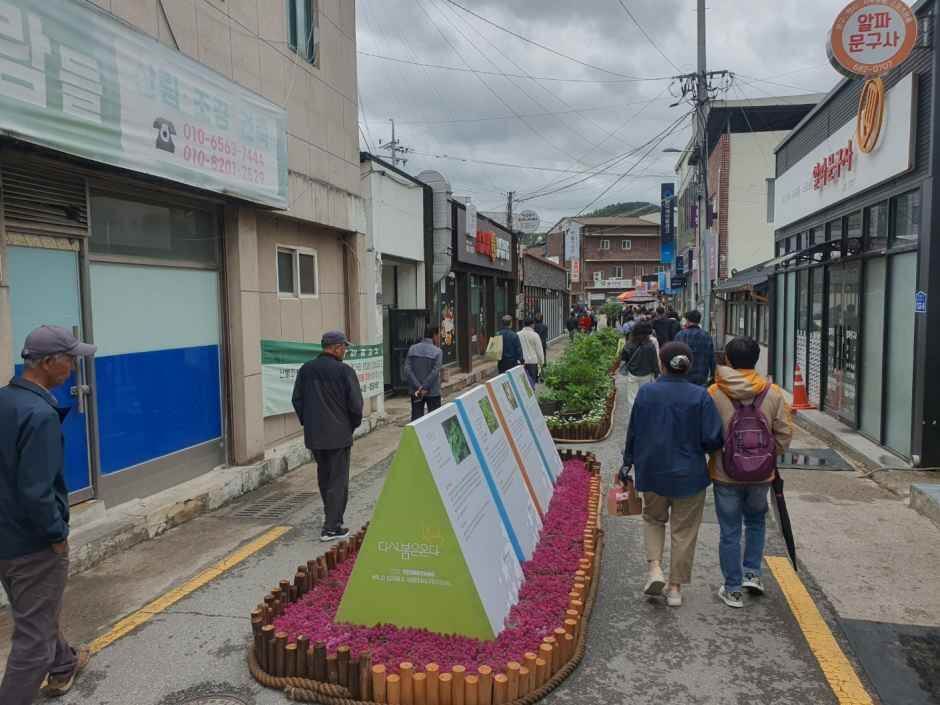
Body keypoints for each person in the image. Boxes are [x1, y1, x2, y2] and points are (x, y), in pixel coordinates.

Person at [0, 326, 97, 703]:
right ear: (48, 362)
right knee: (32, 642)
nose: (73, 367)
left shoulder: (5, 401)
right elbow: (37, 491)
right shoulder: (39, 414)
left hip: (7, 540)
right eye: (69, 359)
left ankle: (63, 665)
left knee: (36, 611)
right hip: (33, 545)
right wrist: (56, 536)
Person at [620, 342, 724, 607]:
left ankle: (654, 568)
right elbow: (712, 439)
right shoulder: (700, 395)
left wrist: (627, 464)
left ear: (662, 364)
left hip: (652, 470)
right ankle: (675, 587)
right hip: (689, 473)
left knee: (653, 519)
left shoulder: (647, 393)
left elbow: (634, 432)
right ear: (688, 365)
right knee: (684, 530)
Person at [708, 337, 793, 608]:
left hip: (725, 472)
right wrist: (769, 457)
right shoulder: (774, 392)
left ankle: (732, 588)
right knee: (756, 522)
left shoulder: (715, 392)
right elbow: (784, 433)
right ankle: (752, 574)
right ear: (757, 360)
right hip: (762, 474)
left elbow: (708, 433)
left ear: (728, 361)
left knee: (729, 529)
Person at [292, 330, 364, 541]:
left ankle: (331, 518)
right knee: (338, 480)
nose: (345, 351)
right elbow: (356, 406)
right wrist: (351, 426)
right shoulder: (344, 372)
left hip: (315, 435)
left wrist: (310, 423)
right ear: (335, 347)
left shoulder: (306, 370)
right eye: (344, 347)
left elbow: (297, 400)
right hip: (338, 434)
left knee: (324, 478)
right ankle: (332, 527)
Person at [404, 326, 443, 421]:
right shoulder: (438, 352)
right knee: (435, 419)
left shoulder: (412, 349)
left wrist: (418, 387)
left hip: (416, 391)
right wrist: (425, 387)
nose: (440, 338)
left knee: (417, 419)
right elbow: (435, 372)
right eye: (439, 335)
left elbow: (407, 370)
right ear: (434, 335)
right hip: (433, 391)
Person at [620, 321, 659, 406]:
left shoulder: (629, 344)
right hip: (647, 374)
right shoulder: (650, 345)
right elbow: (654, 361)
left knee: (632, 398)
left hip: (633, 373)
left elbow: (624, 358)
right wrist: (656, 373)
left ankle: (633, 416)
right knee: (645, 397)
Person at [675, 310, 715, 386]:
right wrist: (713, 374)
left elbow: (674, 355)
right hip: (701, 375)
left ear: (687, 320)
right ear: (699, 321)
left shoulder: (680, 335)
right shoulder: (706, 336)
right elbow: (711, 357)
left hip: (683, 375)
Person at [519, 318, 546, 387]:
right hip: (533, 362)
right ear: (532, 325)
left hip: (521, 362)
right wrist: (541, 363)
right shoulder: (535, 335)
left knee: (522, 382)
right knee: (532, 382)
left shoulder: (518, 334)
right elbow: (539, 351)